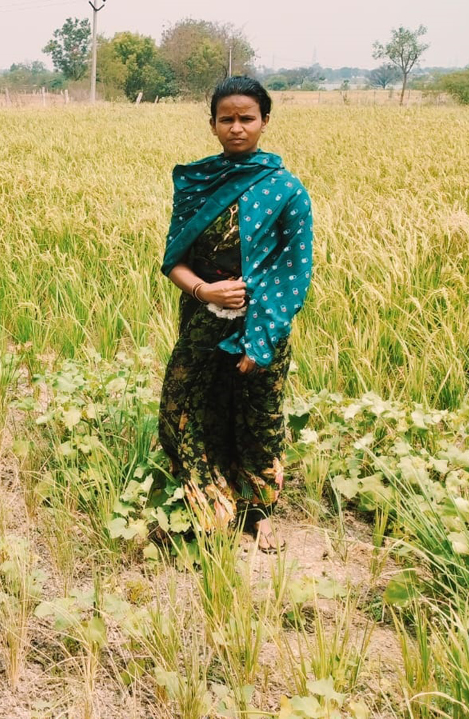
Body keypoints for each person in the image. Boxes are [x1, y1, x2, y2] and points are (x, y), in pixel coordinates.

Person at [158, 76, 314, 553]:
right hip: (202, 315)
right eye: (226, 119)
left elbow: (294, 273)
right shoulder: (198, 183)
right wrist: (206, 290)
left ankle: (259, 511)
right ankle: (208, 500)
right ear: (212, 125)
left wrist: (259, 339)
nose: (237, 127)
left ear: (265, 121)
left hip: (261, 322)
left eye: (247, 118)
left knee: (255, 414)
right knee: (187, 406)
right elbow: (173, 261)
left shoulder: (287, 190)